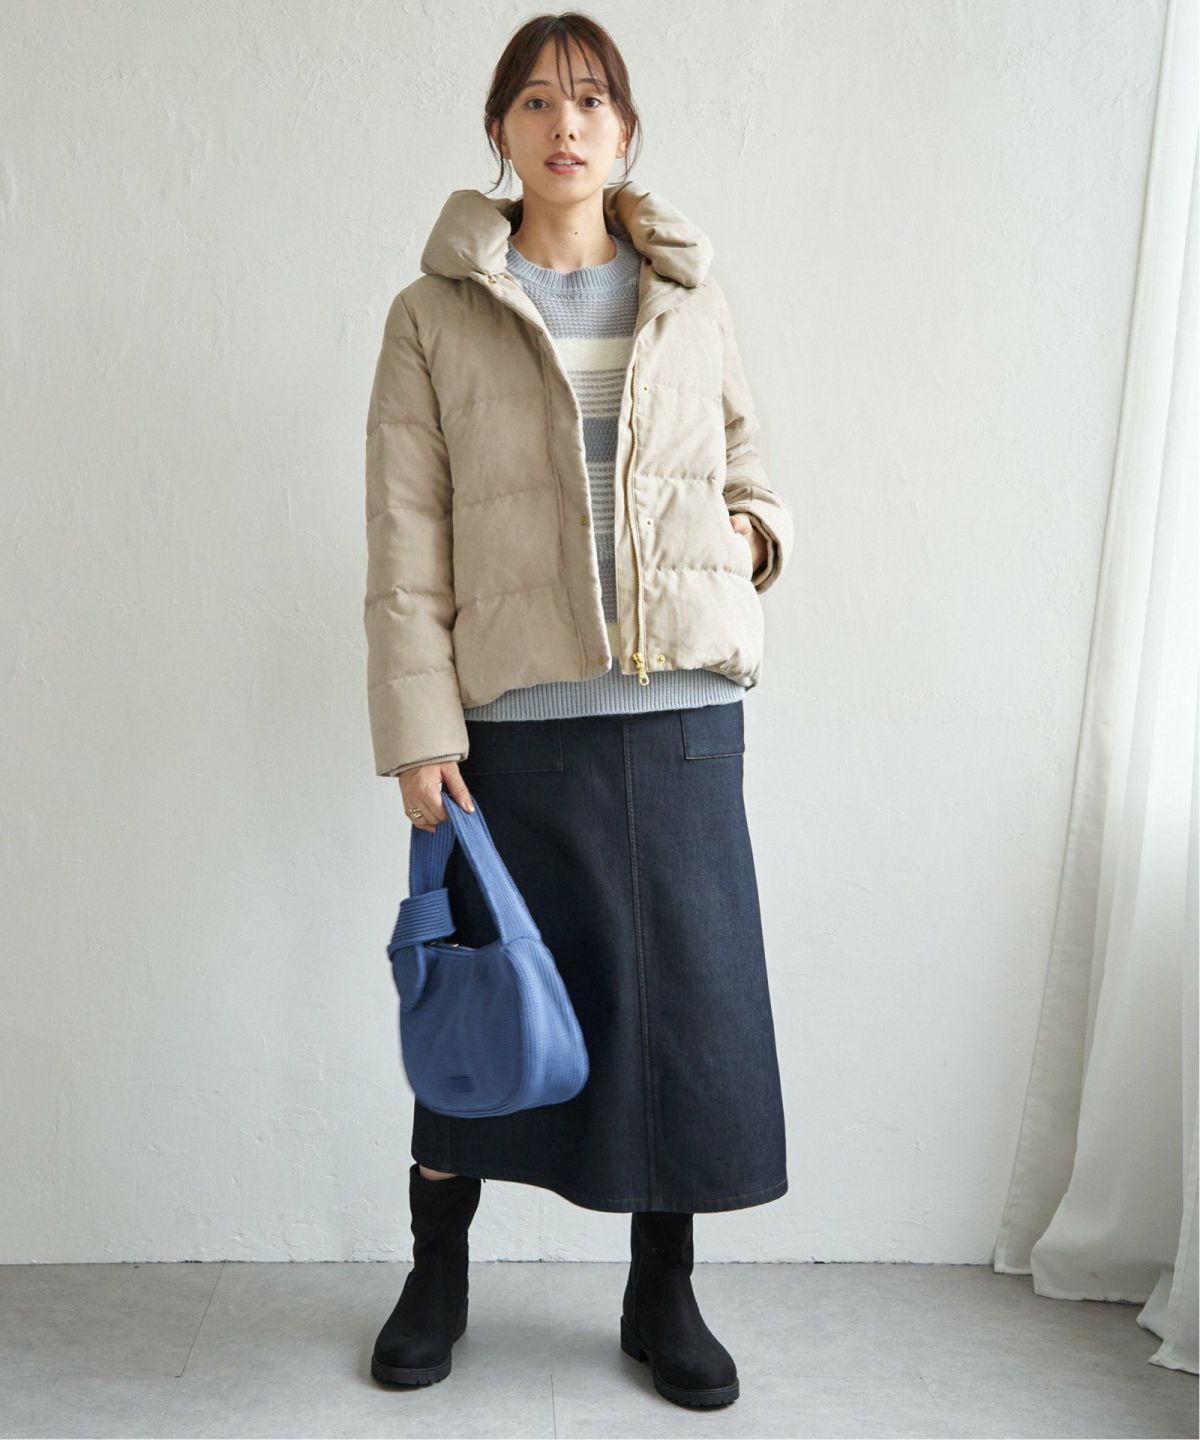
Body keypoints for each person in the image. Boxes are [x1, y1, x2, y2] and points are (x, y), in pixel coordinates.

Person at [362, 11, 794, 1410]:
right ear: (501, 128)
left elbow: (748, 462)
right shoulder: (434, 313)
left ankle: (661, 1293)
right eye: (539, 101)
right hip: (515, 727)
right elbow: (405, 535)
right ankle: (437, 1275)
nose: (568, 125)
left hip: (679, 713)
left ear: (626, 130)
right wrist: (419, 729)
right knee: (485, 998)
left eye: (593, 100)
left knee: (676, 1021)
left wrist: (752, 539)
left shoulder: (687, 294)